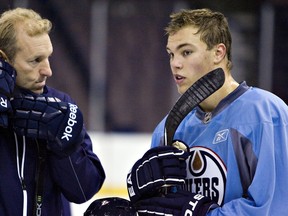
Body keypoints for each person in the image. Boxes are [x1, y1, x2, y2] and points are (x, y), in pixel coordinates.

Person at [126, 8, 288, 215]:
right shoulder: (168, 130)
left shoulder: (265, 114)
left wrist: (204, 213)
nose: (175, 64)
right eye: (171, 54)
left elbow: (275, 208)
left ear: (218, 53)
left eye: (186, 52)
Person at [0, 7, 105, 216]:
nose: (48, 70)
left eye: (48, 58)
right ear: (3, 59)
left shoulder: (61, 106)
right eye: (35, 60)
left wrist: (65, 148)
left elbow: (84, 190)